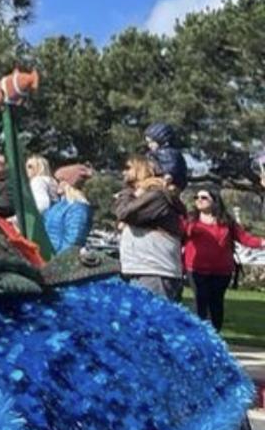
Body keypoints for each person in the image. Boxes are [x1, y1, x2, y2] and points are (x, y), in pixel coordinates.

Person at [183, 187, 264, 331]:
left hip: (221, 272)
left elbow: (244, 238)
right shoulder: (190, 221)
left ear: (214, 201)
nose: (199, 200)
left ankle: (215, 335)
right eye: (197, 197)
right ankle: (199, 335)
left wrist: (261, 242)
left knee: (216, 304)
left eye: (204, 197)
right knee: (200, 302)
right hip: (196, 270)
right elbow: (180, 238)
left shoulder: (227, 222)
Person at [113, 155, 186, 301]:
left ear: (142, 170)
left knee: (155, 321)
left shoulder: (157, 195)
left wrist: (127, 192)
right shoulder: (145, 195)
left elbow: (125, 213)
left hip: (154, 272)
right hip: (139, 269)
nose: (124, 173)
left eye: (128, 168)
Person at [43, 164, 94, 252]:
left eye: (59, 181)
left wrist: (59, 260)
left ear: (68, 183)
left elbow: (73, 240)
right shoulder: (57, 206)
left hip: (60, 260)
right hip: (46, 257)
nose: (56, 184)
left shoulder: (78, 208)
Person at [145, 123, 188, 191]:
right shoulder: (154, 154)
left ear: (161, 140)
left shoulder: (167, 153)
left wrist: (167, 178)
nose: (149, 145)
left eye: (151, 142)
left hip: (166, 185)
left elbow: (171, 167)